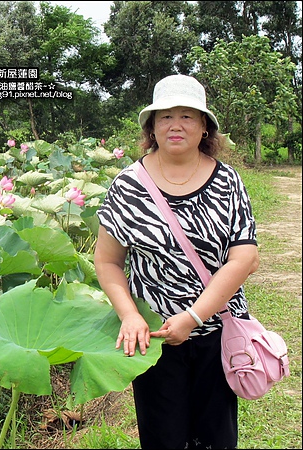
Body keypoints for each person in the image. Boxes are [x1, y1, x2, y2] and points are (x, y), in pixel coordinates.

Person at [93, 74, 259, 449]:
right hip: (153, 339)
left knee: (217, 438)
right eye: (165, 116)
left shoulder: (227, 181)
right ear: (152, 127)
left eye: (187, 116)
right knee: (162, 438)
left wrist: (195, 316)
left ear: (204, 127)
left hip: (218, 332)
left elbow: (245, 257)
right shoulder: (128, 185)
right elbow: (106, 261)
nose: (176, 125)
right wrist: (130, 315)